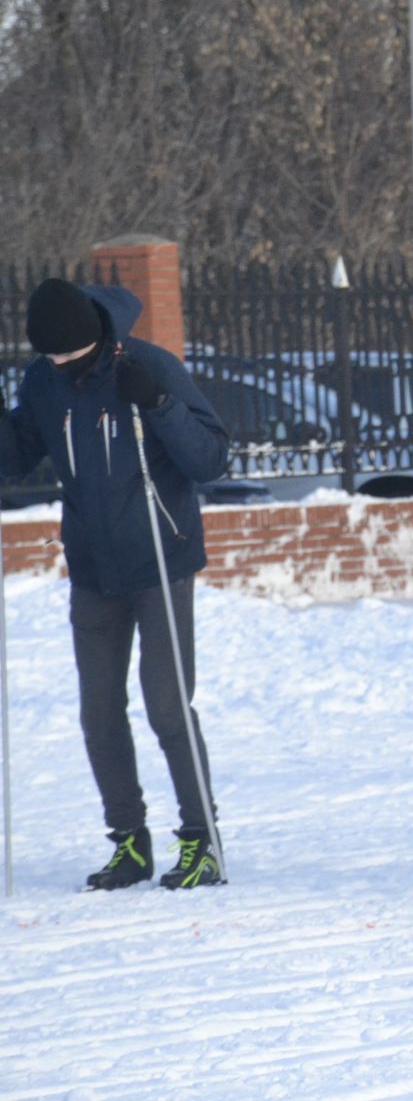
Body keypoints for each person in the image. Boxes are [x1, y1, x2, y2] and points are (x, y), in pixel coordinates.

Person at [0, 279, 231, 890]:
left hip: (160, 561)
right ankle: (129, 841)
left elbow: (211, 459)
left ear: (95, 342)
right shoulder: (43, 380)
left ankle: (202, 842)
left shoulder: (150, 366)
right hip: (94, 569)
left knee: (167, 708)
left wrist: (158, 404)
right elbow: (14, 457)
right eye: (49, 358)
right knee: (98, 714)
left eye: (68, 358)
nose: (59, 368)